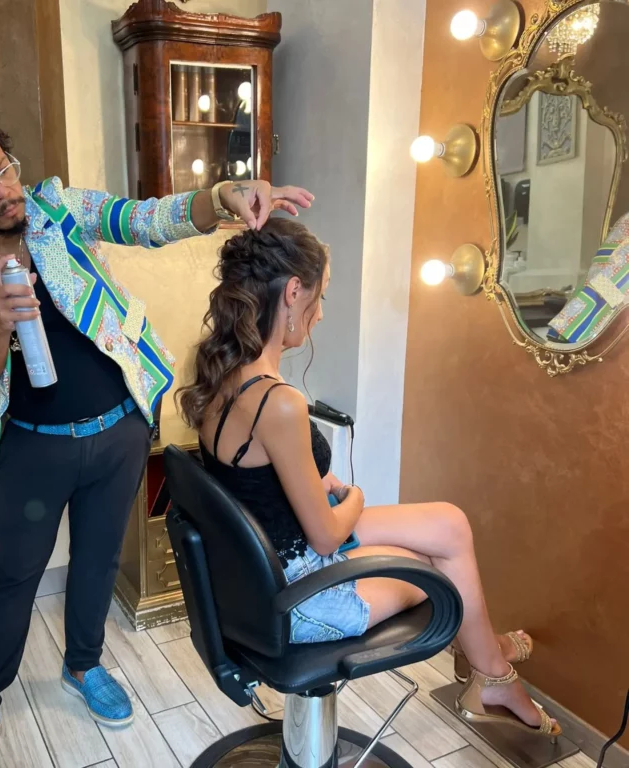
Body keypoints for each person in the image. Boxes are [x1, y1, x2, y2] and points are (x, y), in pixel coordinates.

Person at [0, 101, 313, 768]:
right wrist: (0, 324)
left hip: (119, 429)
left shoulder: (58, 208)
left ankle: (84, 664)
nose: (3, 191)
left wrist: (222, 196)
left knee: (97, 560)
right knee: (13, 576)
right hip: (32, 445)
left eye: (3, 169)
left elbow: (144, 220)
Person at [178, 217, 561, 741]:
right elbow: (326, 537)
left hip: (267, 563)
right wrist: (354, 496)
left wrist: (317, 480)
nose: (319, 314)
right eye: (319, 297)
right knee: (435, 567)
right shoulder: (278, 401)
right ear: (293, 292)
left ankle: (487, 662)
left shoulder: (225, 375)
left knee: (448, 525)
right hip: (303, 595)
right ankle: (490, 670)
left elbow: (253, 476)